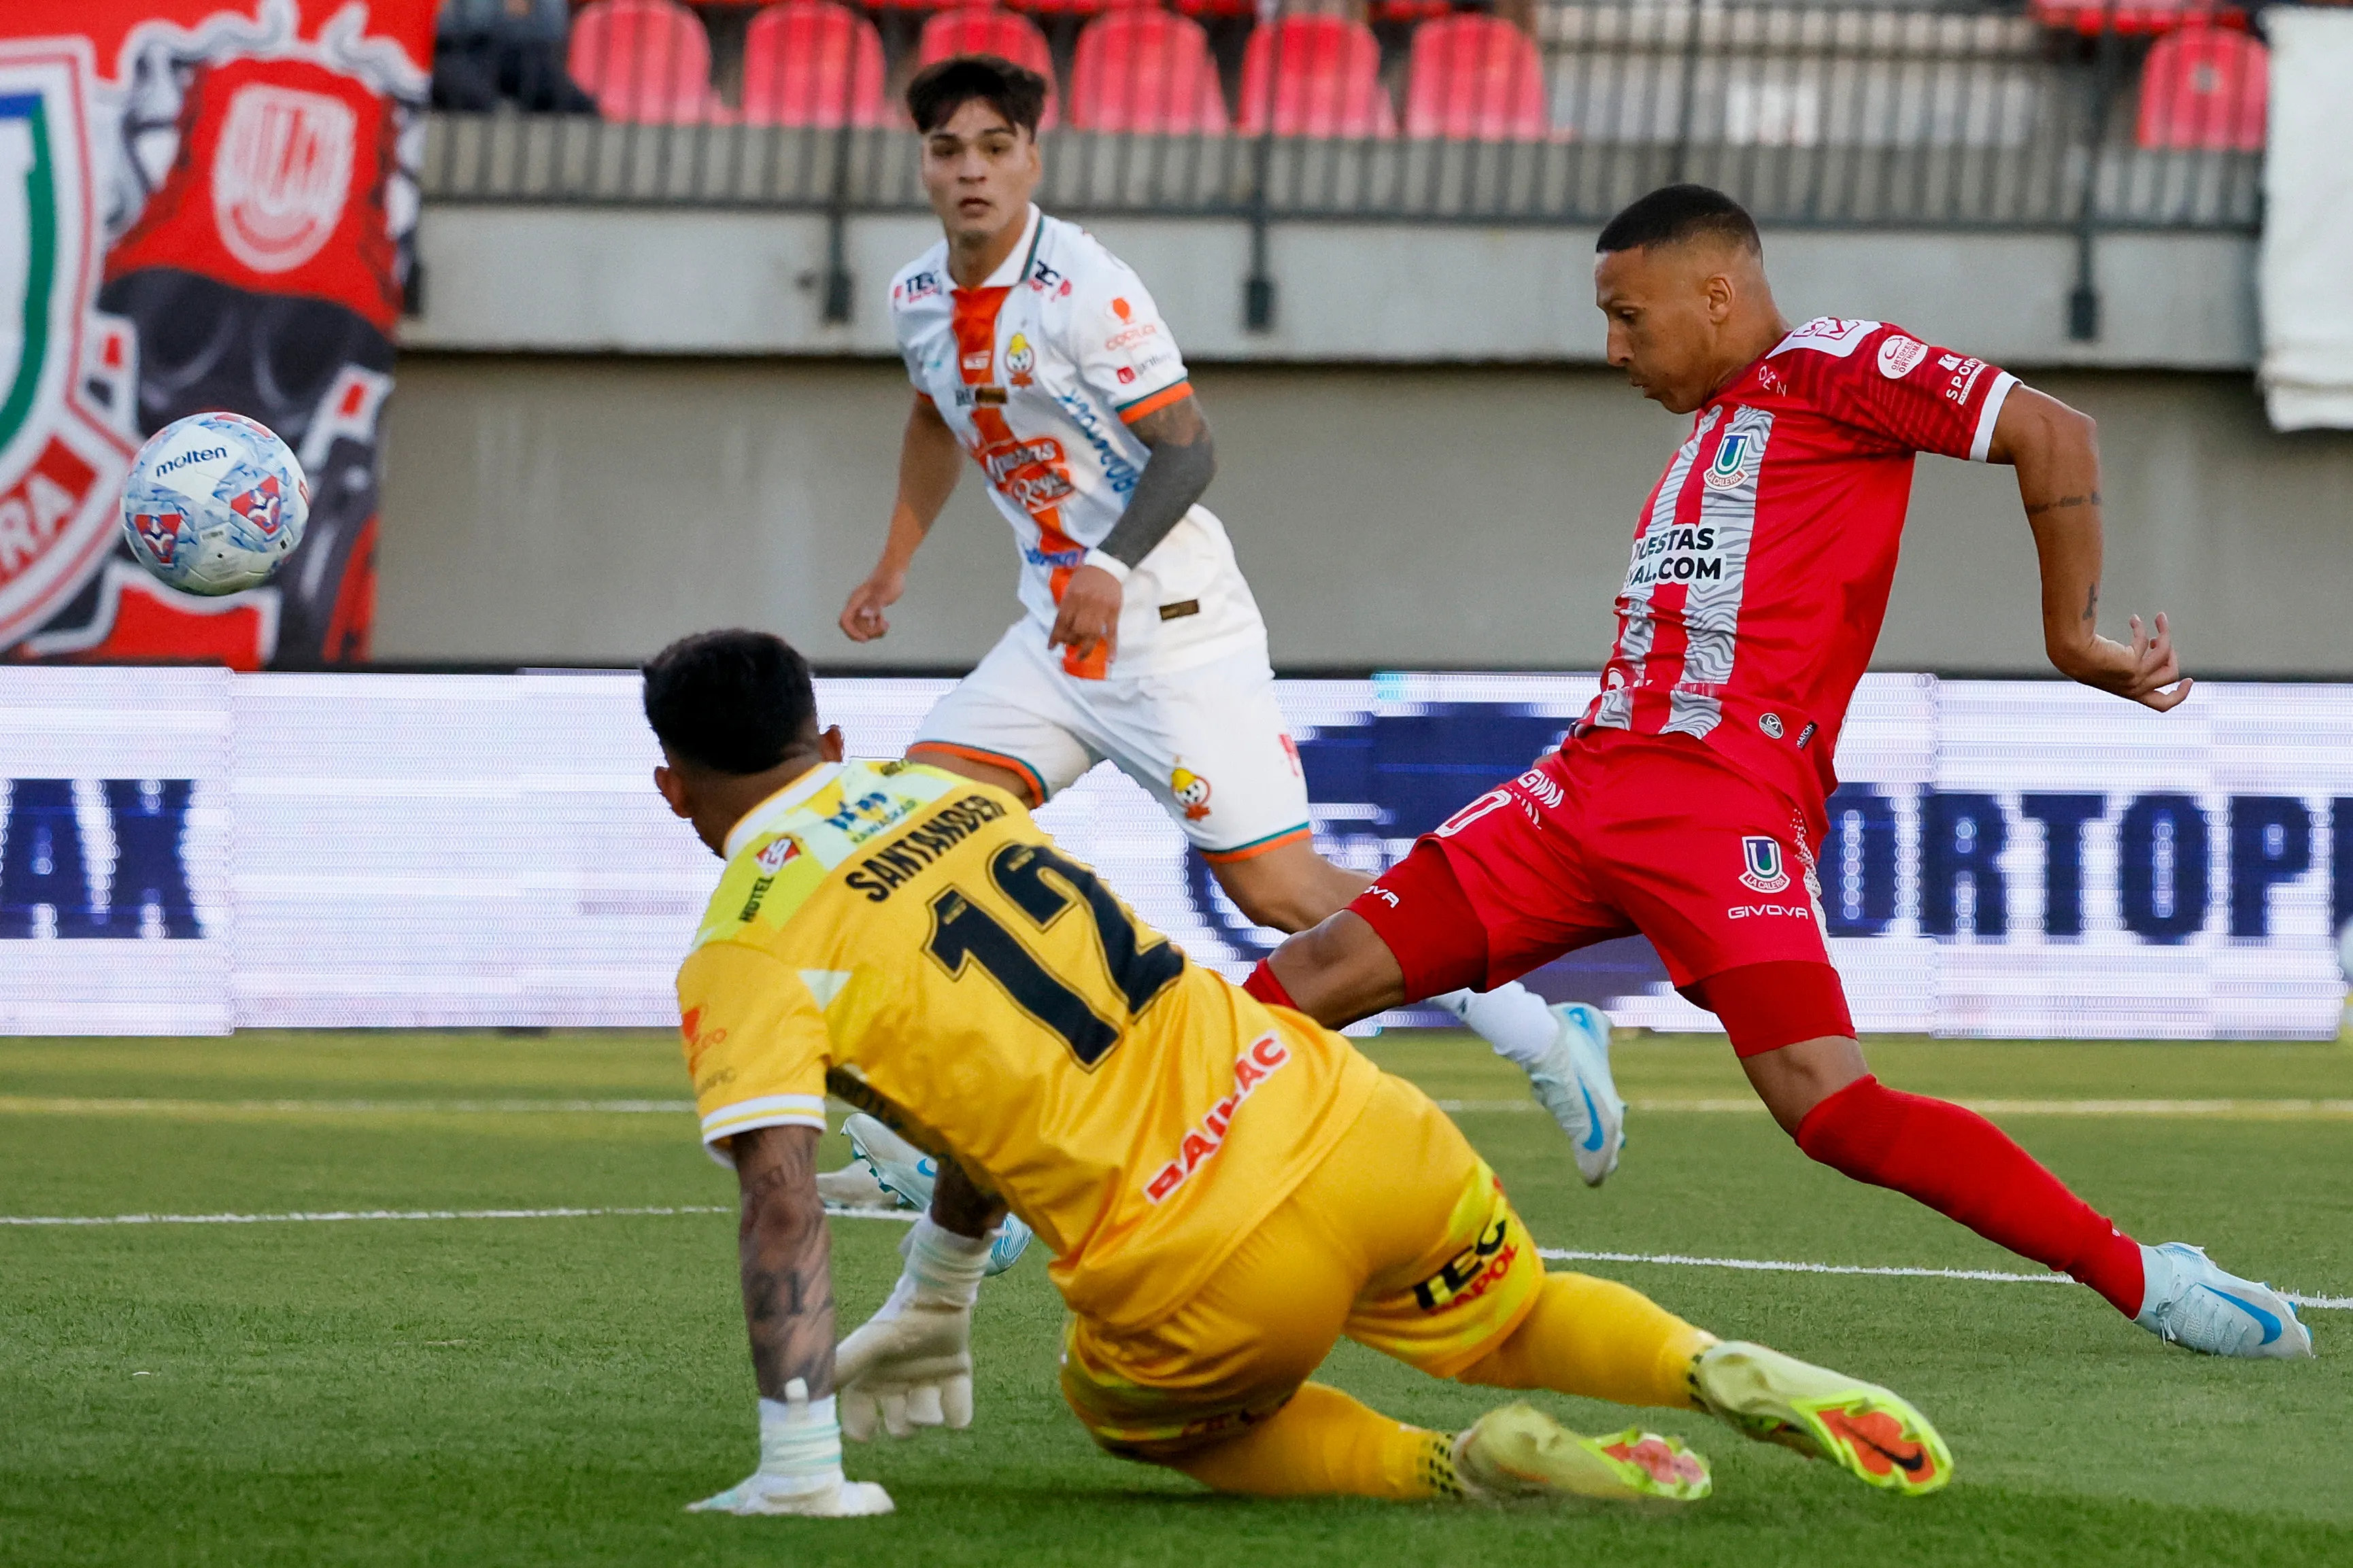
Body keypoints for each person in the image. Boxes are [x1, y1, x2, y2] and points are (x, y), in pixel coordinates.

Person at [1246, 184, 2314, 1362]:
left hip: (1721, 804)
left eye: (1628, 317)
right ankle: (1117, 1192)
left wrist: (2072, 636)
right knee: (1317, 970)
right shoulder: (1717, 428)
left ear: (1718, 293)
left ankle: (2150, 1277)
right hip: (1583, 785)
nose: (1613, 350)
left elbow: (2054, 431)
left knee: (1828, 1104)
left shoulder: (1833, 365)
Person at [644, 628, 1954, 1518]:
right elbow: (994, 1069)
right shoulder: (960, 800)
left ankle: (1453, 1466)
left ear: (671, 788)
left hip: (1196, 1262)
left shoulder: (744, 947)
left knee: (1137, 1417)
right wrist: (938, 1285)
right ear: (830, 739)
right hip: (1355, 1122)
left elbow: (783, 1199)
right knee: (1510, 1313)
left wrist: (802, 1461)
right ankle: (1706, 1362)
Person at [835, 54, 1621, 1177]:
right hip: (1054, 638)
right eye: (948, 150)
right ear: (922, 164)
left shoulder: (1085, 288)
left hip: (1174, 628)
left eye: (994, 148)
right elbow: (932, 418)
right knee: (919, 831)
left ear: (1031, 160)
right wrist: (893, 565)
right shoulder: (918, 295)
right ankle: (944, 1145)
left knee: (1286, 894)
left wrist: (1110, 561)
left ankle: (1544, 1033)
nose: (972, 171)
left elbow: (1189, 446)